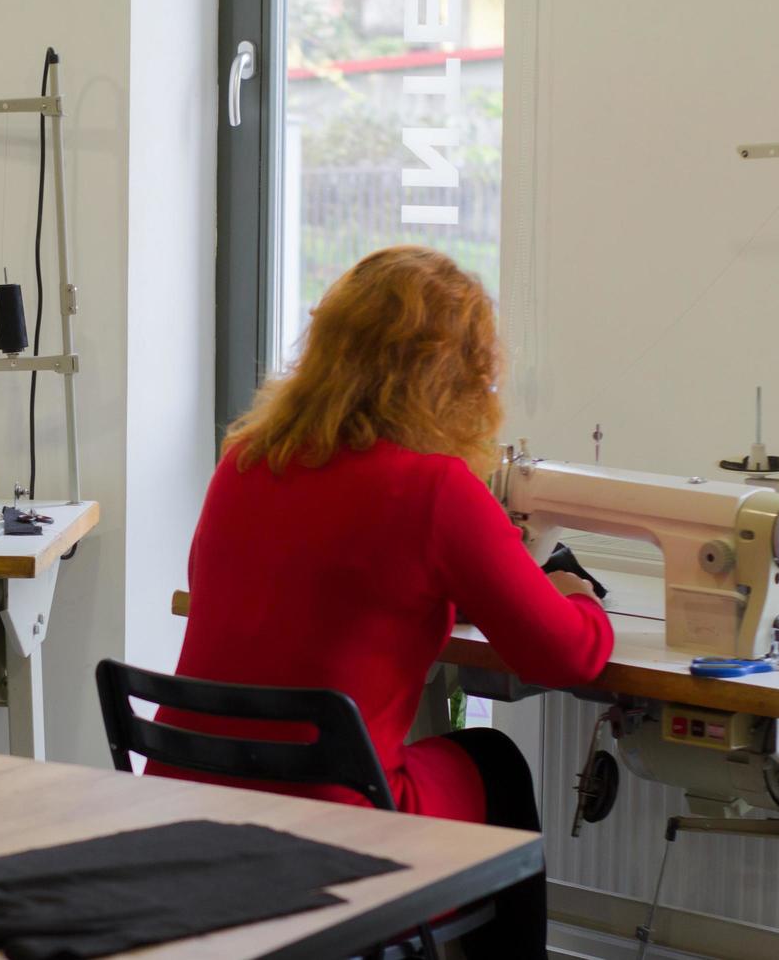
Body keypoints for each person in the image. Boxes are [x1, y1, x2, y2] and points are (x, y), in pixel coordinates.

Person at [146, 245, 612, 956]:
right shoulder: (437, 491)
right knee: (496, 762)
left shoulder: (244, 462)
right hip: (333, 822)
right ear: (456, 376)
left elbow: (334, 595)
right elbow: (568, 655)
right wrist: (577, 596)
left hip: (185, 804)